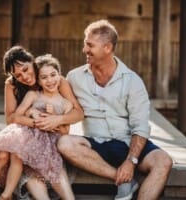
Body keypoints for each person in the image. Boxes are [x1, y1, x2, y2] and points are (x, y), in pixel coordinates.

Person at [57, 19, 173, 200]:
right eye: (85, 44)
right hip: (95, 144)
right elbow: (57, 101)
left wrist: (131, 161)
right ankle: (123, 180)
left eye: (90, 45)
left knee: (163, 161)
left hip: (127, 143)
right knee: (64, 143)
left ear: (108, 48)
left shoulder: (132, 81)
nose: (84, 50)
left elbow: (140, 126)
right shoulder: (74, 77)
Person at [0, 46, 83, 200]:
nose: (24, 76)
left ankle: (5, 194)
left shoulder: (53, 79)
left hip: (48, 140)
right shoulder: (11, 85)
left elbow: (78, 113)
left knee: (22, 155)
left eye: (25, 69)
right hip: (25, 136)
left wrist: (56, 120)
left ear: (32, 61)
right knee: (4, 152)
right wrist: (35, 121)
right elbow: (10, 119)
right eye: (18, 75)